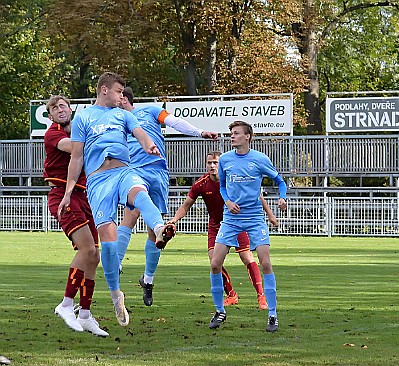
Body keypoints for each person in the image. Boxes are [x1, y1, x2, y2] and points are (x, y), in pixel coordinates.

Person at [57, 72, 176, 327]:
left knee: (140, 193)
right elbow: (76, 157)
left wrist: (148, 145)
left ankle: (158, 227)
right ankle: (115, 295)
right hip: (99, 183)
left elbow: (140, 132)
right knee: (108, 247)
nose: (122, 96)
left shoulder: (123, 114)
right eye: (118, 91)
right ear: (103, 90)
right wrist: (68, 192)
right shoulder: (85, 117)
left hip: (123, 171)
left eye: (123, 93)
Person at [117, 87, 218, 306]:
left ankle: (148, 280)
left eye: (117, 97)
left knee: (155, 234)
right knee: (131, 215)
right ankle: (115, 263)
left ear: (124, 98)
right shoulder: (115, 121)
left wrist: (200, 132)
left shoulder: (151, 110)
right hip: (134, 172)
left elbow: (174, 122)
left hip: (158, 172)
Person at [168, 151, 278, 310]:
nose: (212, 166)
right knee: (214, 262)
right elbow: (186, 205)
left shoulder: (233, 178)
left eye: (216, 163)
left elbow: (257, 196)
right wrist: (174, 220)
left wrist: (270, 215)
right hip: (216, 226)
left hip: (237, 222)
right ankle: (231, 294)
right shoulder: (201, 184)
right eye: (209, 163)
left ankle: (261, 296)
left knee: (247, 257)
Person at [208, 121, 287, 333]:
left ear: (247, 136)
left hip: (254, 218)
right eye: (231, 133)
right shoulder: (225, 159)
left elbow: (280, 181)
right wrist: (227, 202)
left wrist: (282, 198)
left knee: (265, 262)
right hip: (231, 219)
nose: (232, 137)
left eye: (236, 133)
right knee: (215, 264)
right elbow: (223, 186)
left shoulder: (260, 159)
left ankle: (272, 314)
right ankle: (219, 311)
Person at [43, 95, 108, 337]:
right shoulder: (53, 134)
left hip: (83, 196)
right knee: (86, 251)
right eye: (54, 108)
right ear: (50, 116)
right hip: (63, 195)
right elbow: (75, 148)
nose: (60, 110)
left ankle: (86, 314)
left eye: (62, 106)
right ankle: (67, 303)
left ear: (70, 109)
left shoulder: (78, 128)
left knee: (94, 256)